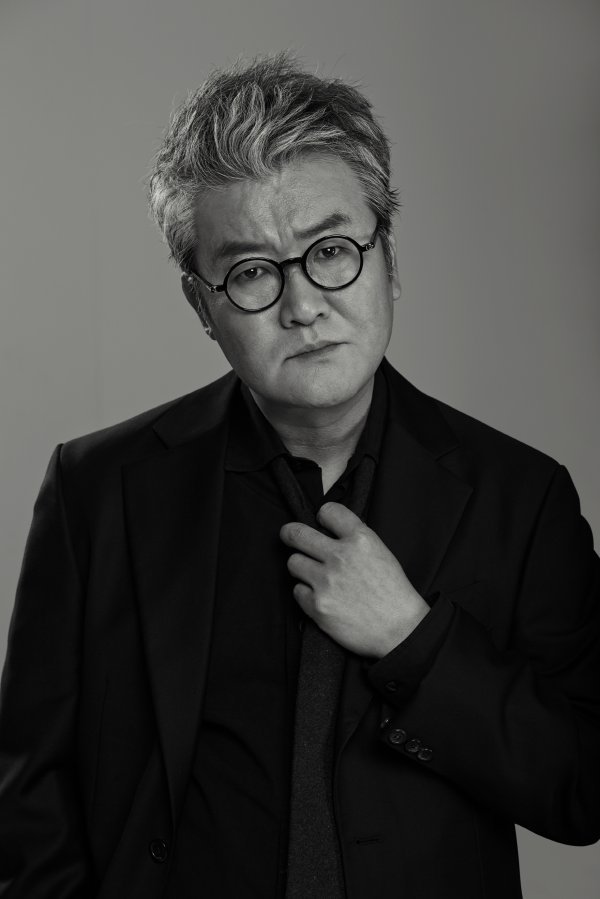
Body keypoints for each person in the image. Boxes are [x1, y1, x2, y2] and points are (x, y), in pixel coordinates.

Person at [0, 52, 598, 899]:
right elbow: (28, 804)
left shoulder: (523, 498)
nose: (304, 304)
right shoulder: (96, 490)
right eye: (251, 271)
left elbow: (582, 784)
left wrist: (416, 643)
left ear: (389, 258)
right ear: (202, 305)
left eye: (331, 250)